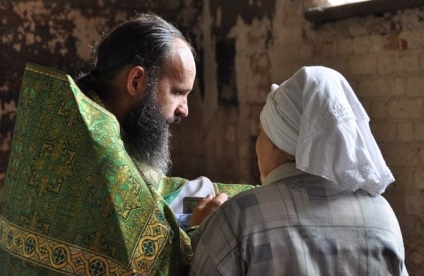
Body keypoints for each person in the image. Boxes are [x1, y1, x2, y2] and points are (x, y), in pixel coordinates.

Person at [0, 13, 252, 275]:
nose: (184, 110)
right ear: (136, 81)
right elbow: (153, 265)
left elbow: (145, 188)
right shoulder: (96, 147)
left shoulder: (81, 118)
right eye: (178, 92)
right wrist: (200, 228)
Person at [189, 66, 408, 276]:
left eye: (261, 132)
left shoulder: (239, 216)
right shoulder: (382, 214)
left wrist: (202, 230)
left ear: (277, 141)